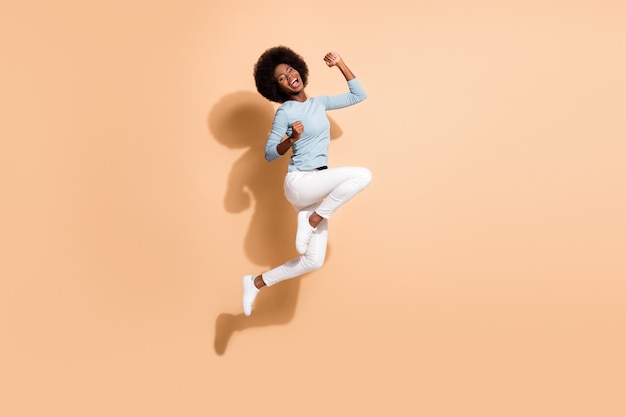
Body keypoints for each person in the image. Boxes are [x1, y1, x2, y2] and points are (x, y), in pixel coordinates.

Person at [242, 46, 371, 316]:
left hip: (318, 188)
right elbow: (268, 154)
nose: (289, 77)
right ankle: (312, 219)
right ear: (276, 87)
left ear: (298, 69)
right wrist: (291, 139)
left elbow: (359, 95)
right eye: (281, 77)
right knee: (362, 175)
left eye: (290, 70)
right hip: (300, 182)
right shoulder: (285, 112)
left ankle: (256, 282)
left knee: (312, 260)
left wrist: (341, 64)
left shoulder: (319, 103)